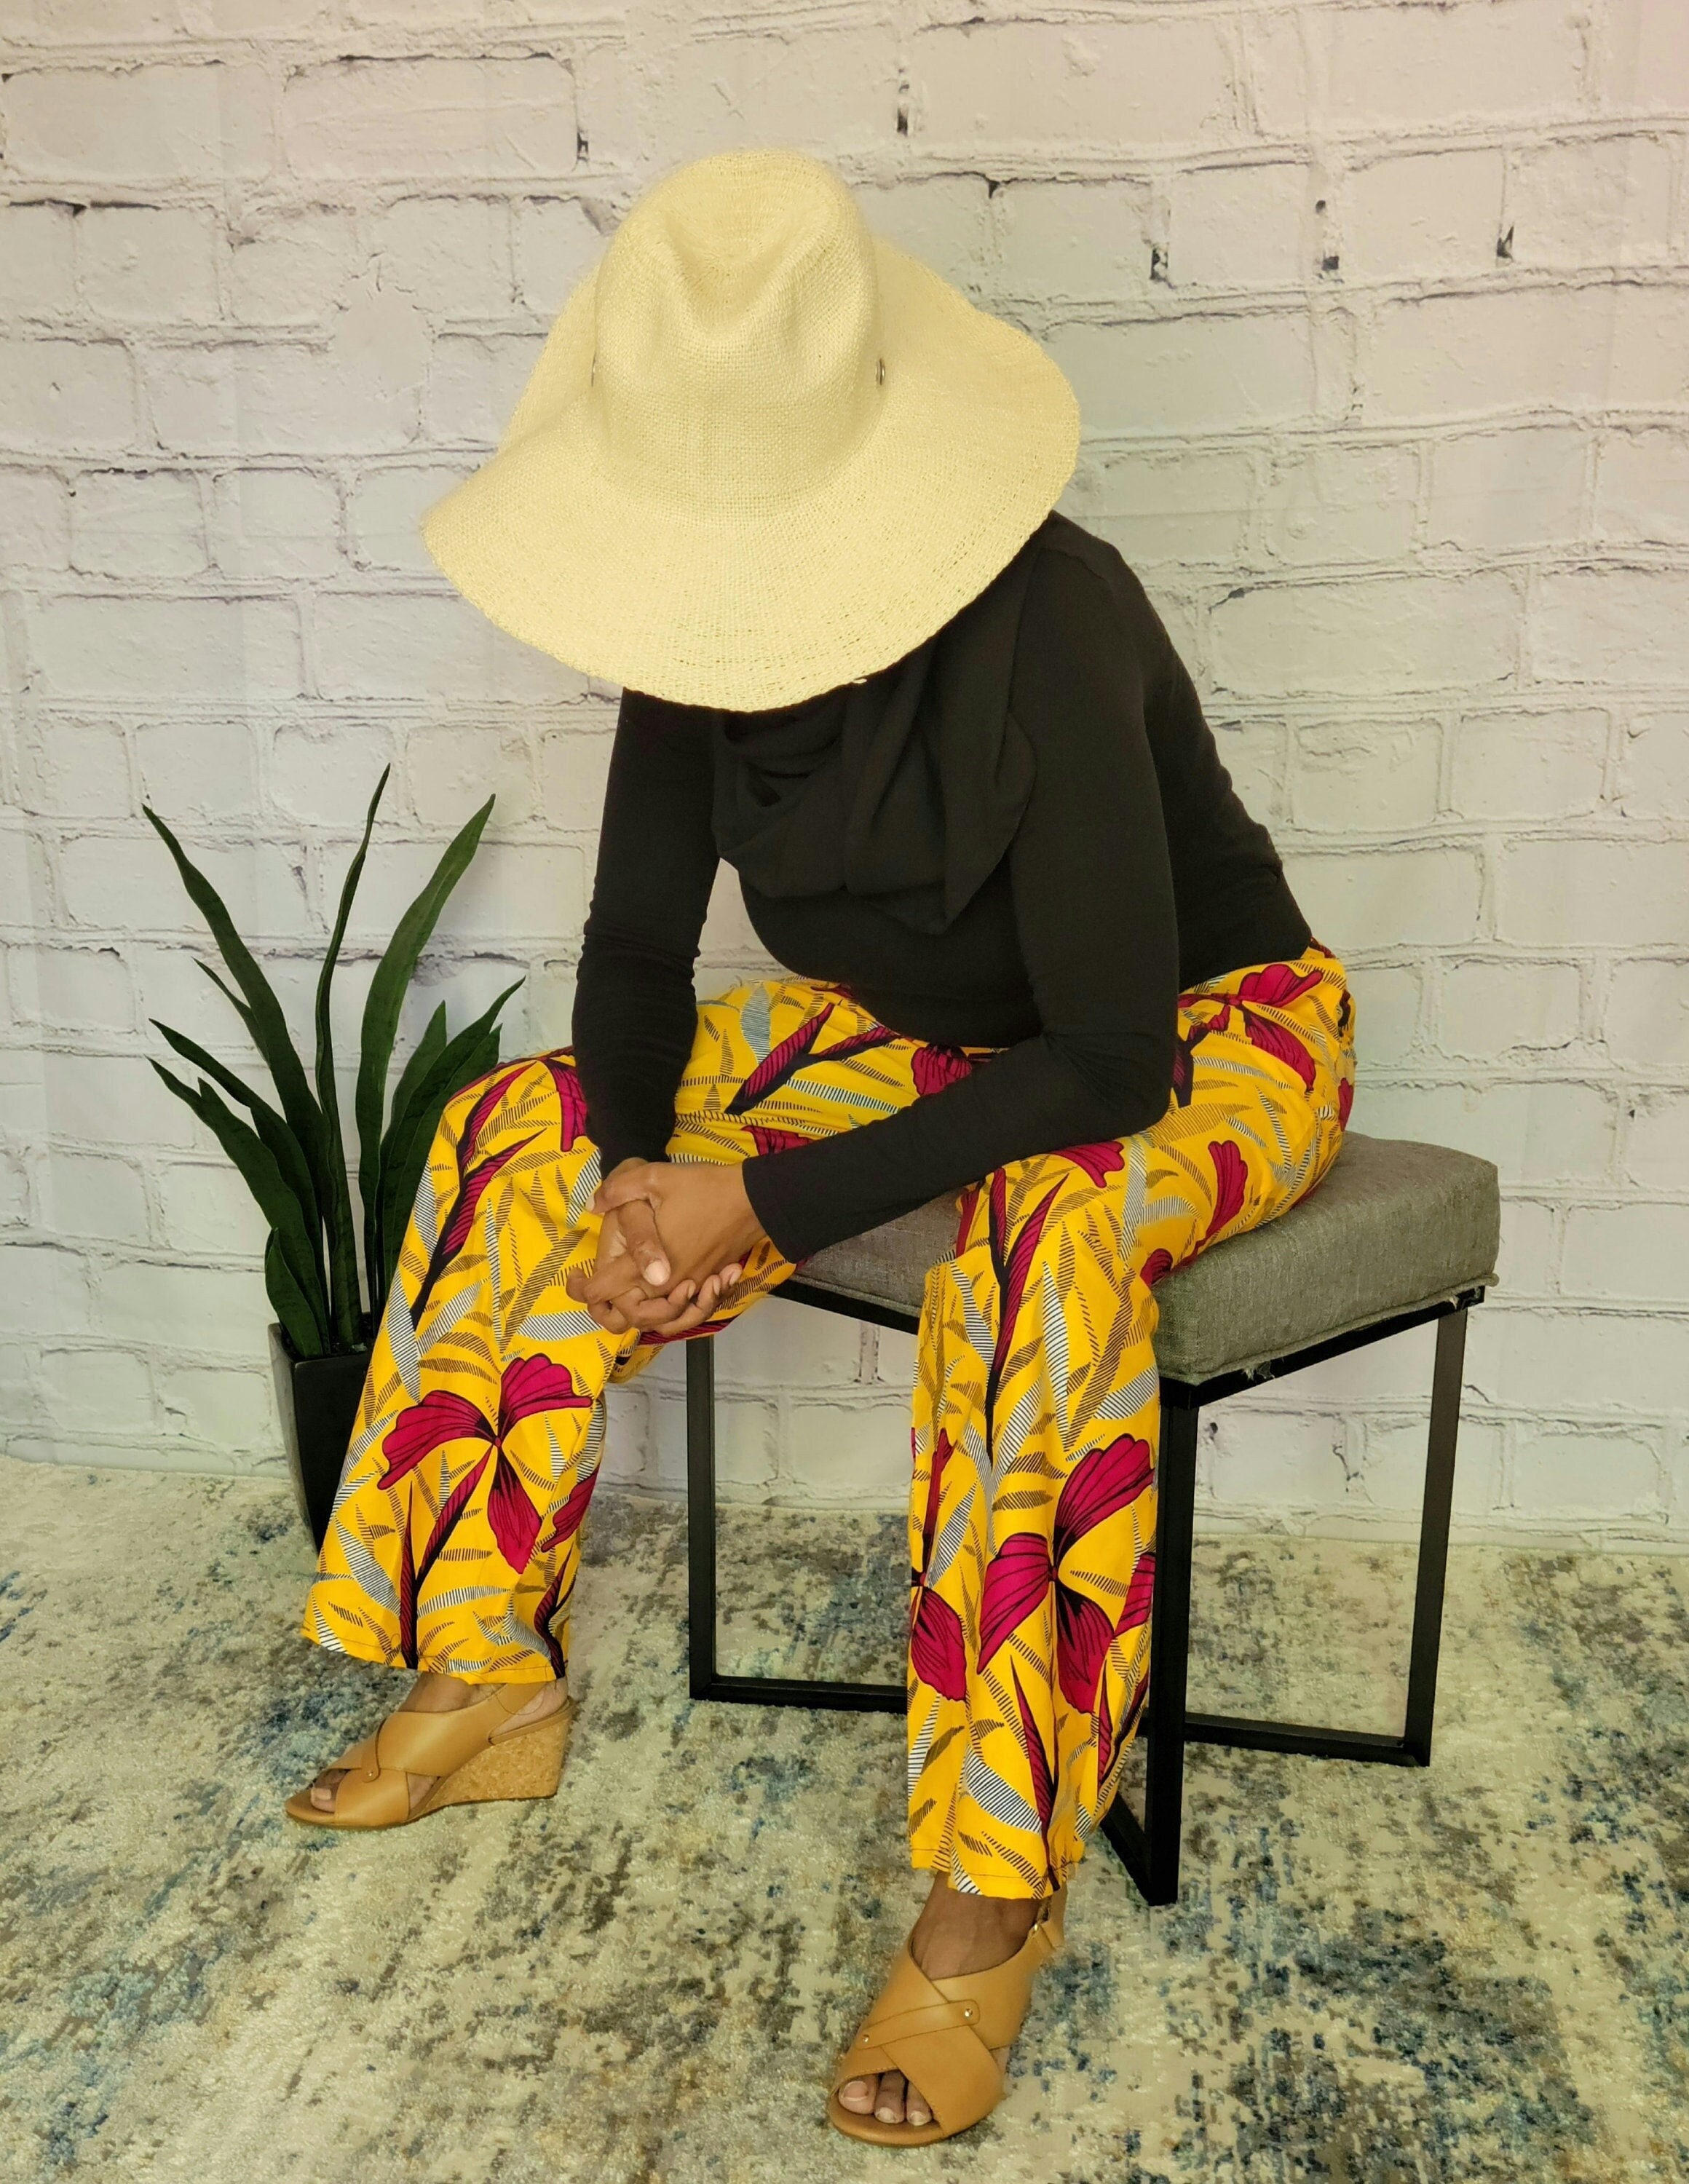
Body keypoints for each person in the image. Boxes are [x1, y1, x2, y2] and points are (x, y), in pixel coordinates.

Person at [285, 145, 1356, 2147]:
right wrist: (640, 1176)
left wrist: (757, 1203)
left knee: (1043, 1238)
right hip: (921, 1043)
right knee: (518, 1125)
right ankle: (487, 1664)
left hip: (1200, 1038)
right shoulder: (691, 634)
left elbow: (1108, 1060)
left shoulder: (1058, 613)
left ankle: (990, 1882)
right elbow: (632, 950)